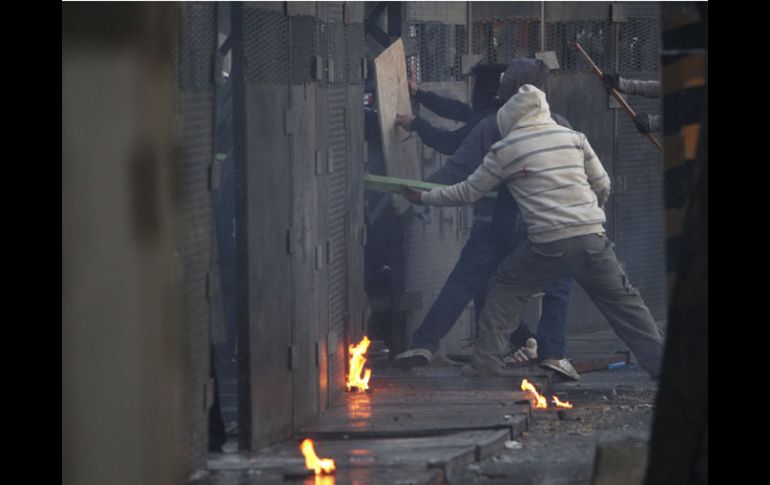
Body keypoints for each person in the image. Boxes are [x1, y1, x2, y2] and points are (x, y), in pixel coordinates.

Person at [400, 84, 664, 380]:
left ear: (509, 117)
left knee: (504, 290)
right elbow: (603, 184)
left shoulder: (505, 150)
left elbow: (468, 191)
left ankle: (486, 362)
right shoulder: (575, 139)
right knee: (627, 306)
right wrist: (588, 215)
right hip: (593, 240)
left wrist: (424, 196)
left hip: (544, 244)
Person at [392, 60, 579, 381]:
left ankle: (426, 344)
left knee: (465, 282)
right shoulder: (560, 125)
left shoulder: (492, 126)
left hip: (495, 225)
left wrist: (420, 194)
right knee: (556, 285)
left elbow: (457, 168)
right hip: (547, 226)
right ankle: (552, 354)